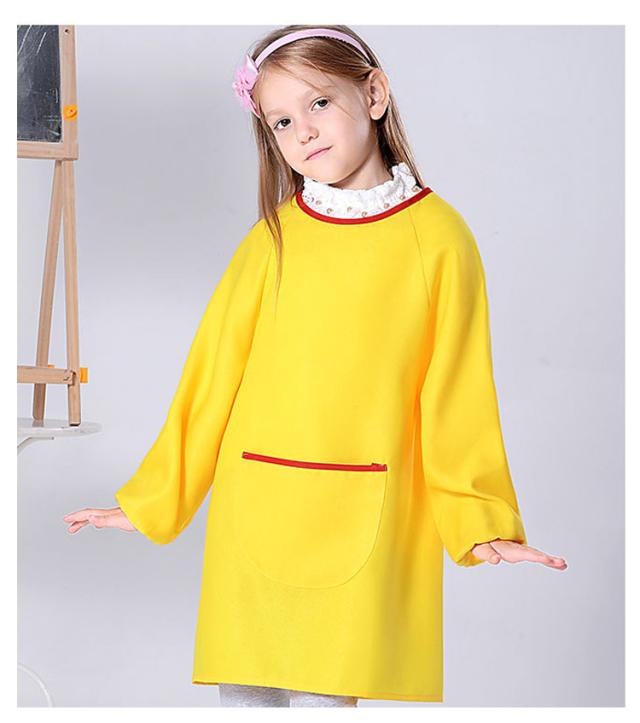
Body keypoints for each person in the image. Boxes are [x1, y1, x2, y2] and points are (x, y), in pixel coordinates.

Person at [63, 25, 567, 708]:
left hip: (363, 513)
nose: (302, 131)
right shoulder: (271, 240)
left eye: (319, 103)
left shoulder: (440, 241)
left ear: (375, 94)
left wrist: (481, 521)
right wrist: (154, 496)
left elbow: (457, 392)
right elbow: (211, 375)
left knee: (327, 699)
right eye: (280, 121)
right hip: (255, 510)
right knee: (245, 697)